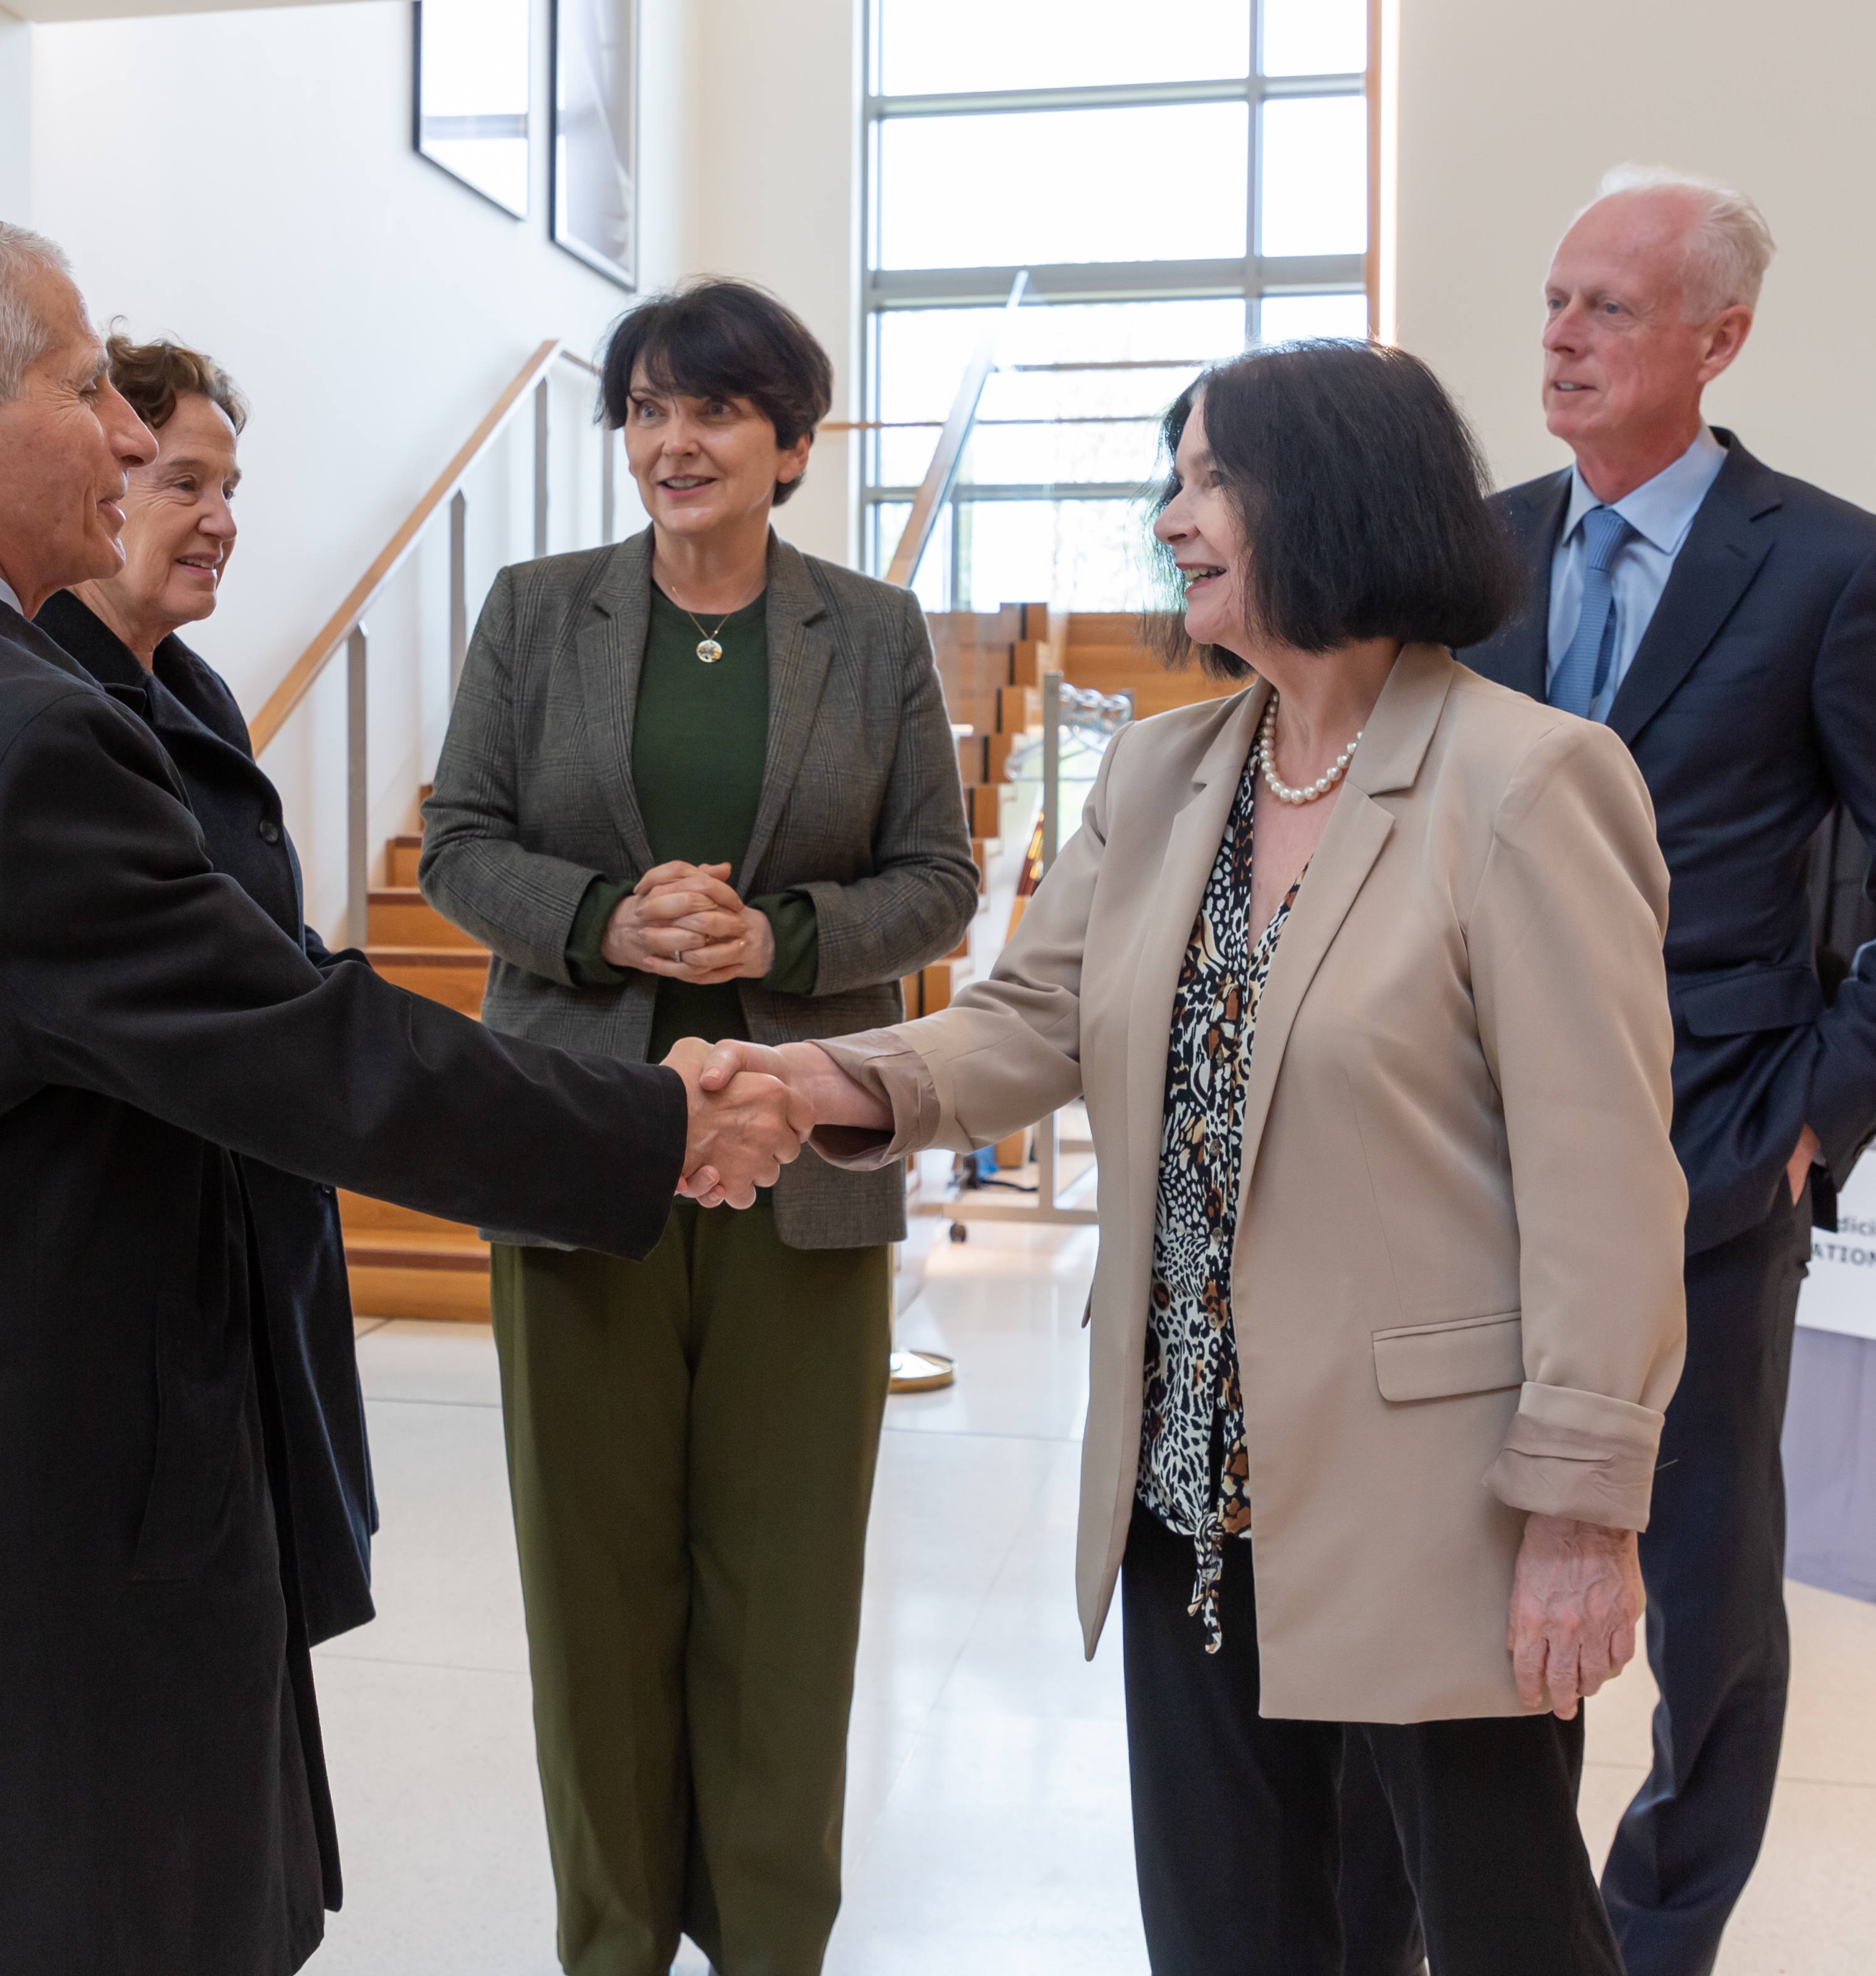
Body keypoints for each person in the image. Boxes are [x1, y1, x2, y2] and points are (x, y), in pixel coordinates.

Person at [0, 213, 812, 1976]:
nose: (125, 431)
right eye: (88, 383)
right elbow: (312, 1050)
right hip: (1, 1537)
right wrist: (665, 1119)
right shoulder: (2, 730)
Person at [703, 338, 1687, 1976]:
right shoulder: (1165, 771)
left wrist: (1581, 1513)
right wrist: (812, 1078)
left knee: (1504, 1931)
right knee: (1232, 1940)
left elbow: (1602, 1176)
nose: (1171, 517)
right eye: (1173, 477)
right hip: (1186, 1487)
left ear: (1334, 497)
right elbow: (1025, 1026)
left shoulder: (1524, 781)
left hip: (1436, 1502)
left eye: (1209, 475)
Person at [1336, 166, 1876, 1976]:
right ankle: (1490, 1926)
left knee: (1698, 1600)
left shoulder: (1827, 562)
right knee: (1464, 1572)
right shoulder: (1472, 552)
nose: (1558, 334)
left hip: (1707, 1147)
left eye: (1607, 309)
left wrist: (1811, 1118)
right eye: (1554, 300)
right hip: (1466, 1152)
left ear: (1717, 337)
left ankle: (1654, 1936)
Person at [414, 277, 978, 1975]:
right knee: (591, 1587)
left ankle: (767, 1945)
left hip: (798, 1167)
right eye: (650, 409)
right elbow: (456, 843)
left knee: (784, 1589)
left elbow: (937, 878)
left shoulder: (869, 632)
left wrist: (781, 941)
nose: (676, 440)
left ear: (789, 444)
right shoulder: (534, 612)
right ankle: (607, 1939)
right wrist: (602, 920)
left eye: (717, 411)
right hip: (581, 1154)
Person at [25, 338, 383, 1647]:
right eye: (183, 482)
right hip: (134, 1288)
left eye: (230, 489)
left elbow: (274, 962)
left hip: (253, 1229)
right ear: (104, 467)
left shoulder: (190, 689)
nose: (221, 522)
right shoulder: (39, 708)